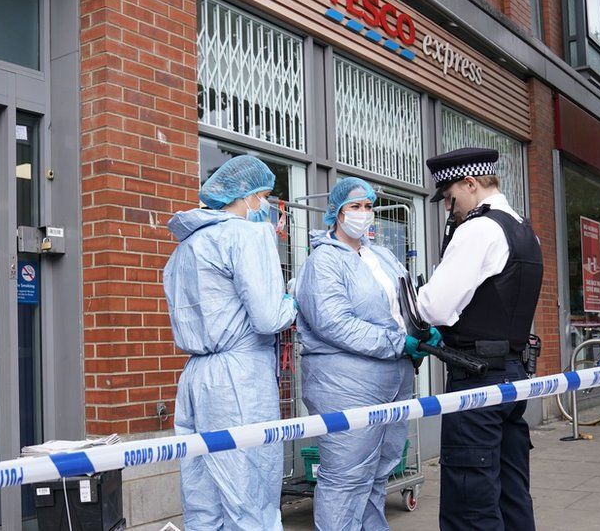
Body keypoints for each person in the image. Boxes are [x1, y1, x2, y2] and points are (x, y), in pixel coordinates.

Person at [295, 177, 440, 530]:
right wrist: (396, 343)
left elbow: (405, 302)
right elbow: (334, 323)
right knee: (346, 479)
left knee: (379, 472)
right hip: (345, 385)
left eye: (368, 206)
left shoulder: (382, 256)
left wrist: (421, 329)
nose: (364, 214)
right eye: (354, 207)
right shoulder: (324, 261)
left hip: (393, 379)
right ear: (336, 213)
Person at [163, 154, 297, 530]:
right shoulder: (247, 235)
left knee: (202, 497)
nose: (267, 206)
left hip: (194, 378)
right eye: (266, 196)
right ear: (247, 196)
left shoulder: (184, 249)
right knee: (249, 495)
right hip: (239, 380)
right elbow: (269, 317)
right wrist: (293, 302)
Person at [416, 147, 543, 531]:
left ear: (470, 184)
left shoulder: (478, 229)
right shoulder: (522, 227)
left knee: (470, 504)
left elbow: (434, 307)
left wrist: (413, 301)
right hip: (513, 374)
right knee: (511, 495)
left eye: (449, 197)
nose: (447, 209)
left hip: (478, 381)